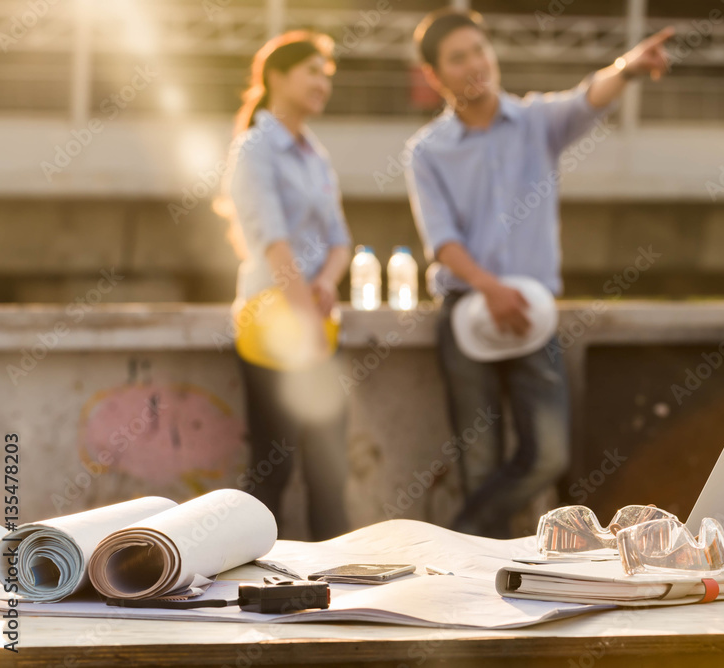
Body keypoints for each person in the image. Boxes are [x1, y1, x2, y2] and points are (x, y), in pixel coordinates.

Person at [405, 9, 673, 538]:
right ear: (435, 76)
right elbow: (443, 244)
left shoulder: (536, 122)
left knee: (549, 455)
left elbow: (588, 96)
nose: (475, 64)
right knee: (477, 461)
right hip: (466, 313)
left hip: (533, 313)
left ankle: (450, 542)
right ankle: (484, 581)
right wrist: (490, 289)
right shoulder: (427, 151)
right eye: (458, 58)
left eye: (480, 50)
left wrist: (629, 66)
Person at [218, 31, 352, 540]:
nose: (323, 83)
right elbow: (275, 245)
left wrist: (326, 281)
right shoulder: (255, 148)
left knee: (330, 466)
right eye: (312, 72)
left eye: (327, 75)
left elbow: (340, 240)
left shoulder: (315, 154)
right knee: (275, 463)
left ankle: (336, 582)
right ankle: (250, 575)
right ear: (276, 76)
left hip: (315, 317)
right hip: (273, 321)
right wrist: (305, 320)